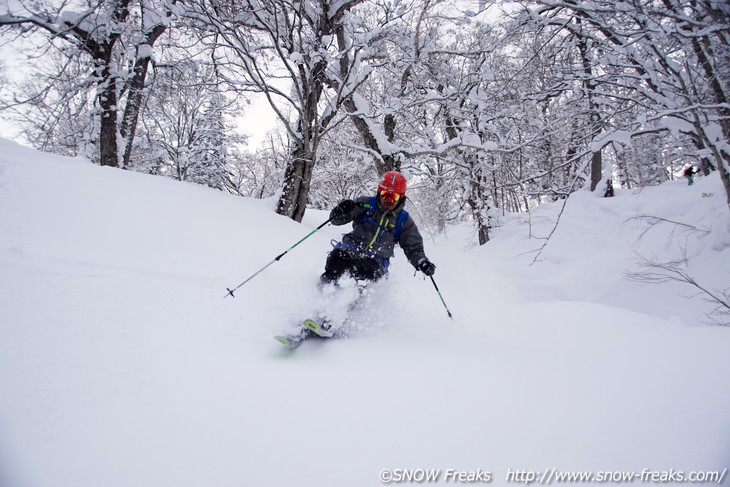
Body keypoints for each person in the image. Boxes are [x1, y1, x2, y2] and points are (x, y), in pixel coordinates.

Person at [321, 171, 436, 286]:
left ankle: (355, 302)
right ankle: (322, 293)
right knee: (335, 265)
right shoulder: (365, 204)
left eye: (393, 196)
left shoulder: (403, 220)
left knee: (362, 272)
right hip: (349, 249)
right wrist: (340, 211)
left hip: (375, 260)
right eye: (385, 194)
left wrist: (421, 262)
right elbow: (335, 220)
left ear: (401, 197)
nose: (388, 200)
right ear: (379, 191)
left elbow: (413, 247)